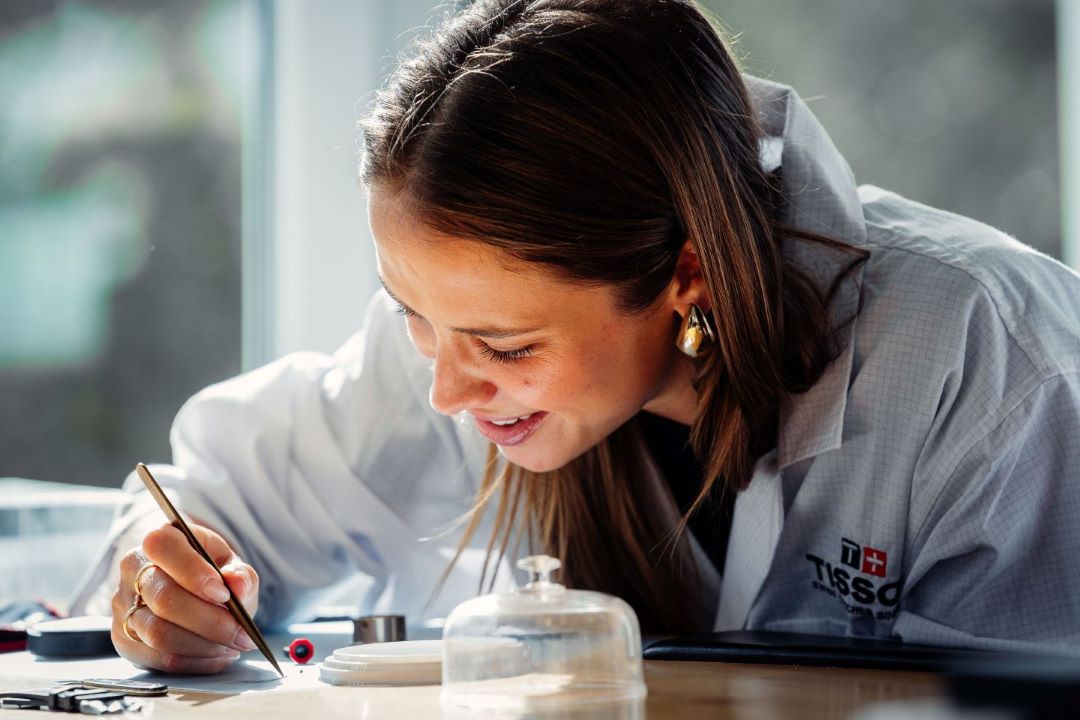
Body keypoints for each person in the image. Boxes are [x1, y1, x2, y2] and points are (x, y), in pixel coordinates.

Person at [71, 0, 1080, 673]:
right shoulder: (458, 346)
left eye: (508, 348)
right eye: (413, 315)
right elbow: (213, 501)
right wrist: (171, 586)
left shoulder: (992, 366)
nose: (447, 391)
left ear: (686, 274)